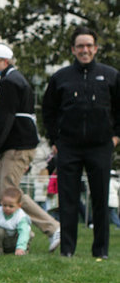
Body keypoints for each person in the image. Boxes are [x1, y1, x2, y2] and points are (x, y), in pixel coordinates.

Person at [42, 26, 120, 258]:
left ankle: (101, 251)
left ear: (95, 48)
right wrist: (55, 140)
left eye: (89, 46)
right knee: (67, 200)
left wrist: (115, 136)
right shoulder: (60, 78)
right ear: (73, 50)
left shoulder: (111, 76)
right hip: (68, 147)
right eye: (80, 46)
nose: (85, 50)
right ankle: (67, 250)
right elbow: (48, 111)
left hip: (100, 146)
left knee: (100, 199)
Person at [0, 43, 61, 252]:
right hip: (14, 144)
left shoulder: (10, 81)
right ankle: (15, 233)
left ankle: (52, 227)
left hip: (18, 144)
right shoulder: (12, 79)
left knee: (11, 192)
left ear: (4, 61)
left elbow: (5, 117)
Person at [0, 187, 31, 255]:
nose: (7, 208)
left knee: (28, 233)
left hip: (16, 241)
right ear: (1, 202)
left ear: (19, 206)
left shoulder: (21, 216)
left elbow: (23, 232)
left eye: (11, 206)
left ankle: (22, 250)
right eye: (4, 205)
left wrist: (20, 247)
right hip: (3, 241)